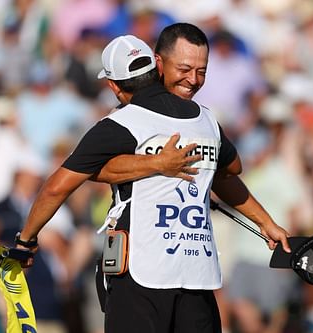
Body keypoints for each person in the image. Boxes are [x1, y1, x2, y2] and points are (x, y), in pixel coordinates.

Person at [16, 30, 290, 333]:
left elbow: (57, 186)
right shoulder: (207, 120)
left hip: (141, 274)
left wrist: (25, 240)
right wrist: (266, 222)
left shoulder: (119, 124)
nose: (193, 79)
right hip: (197, 275)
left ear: (113, 86)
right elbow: (230, 169)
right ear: (156, 67)